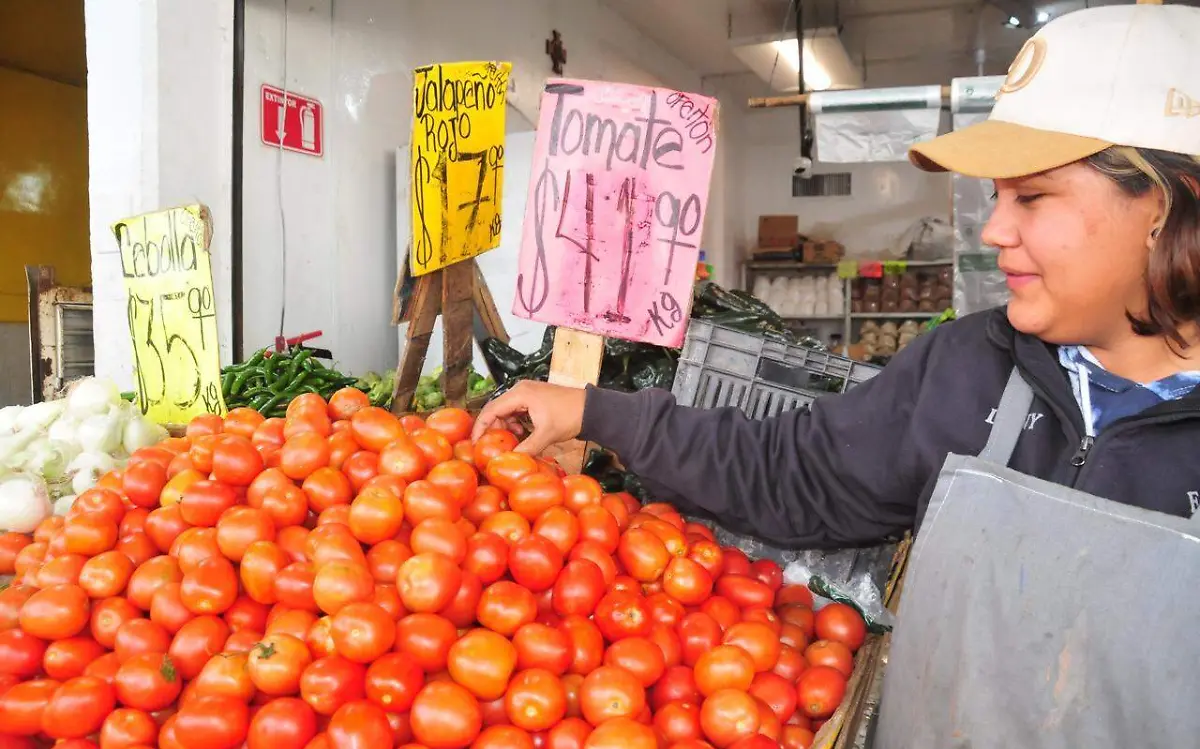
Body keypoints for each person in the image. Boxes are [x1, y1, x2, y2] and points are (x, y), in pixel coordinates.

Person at [474, 0, 1200, 552]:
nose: (993, 231)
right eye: (996, 197)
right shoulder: (969, 369)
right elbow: (793, 472)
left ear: (1169, 206)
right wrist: (599, 413)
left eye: (1033, 197)